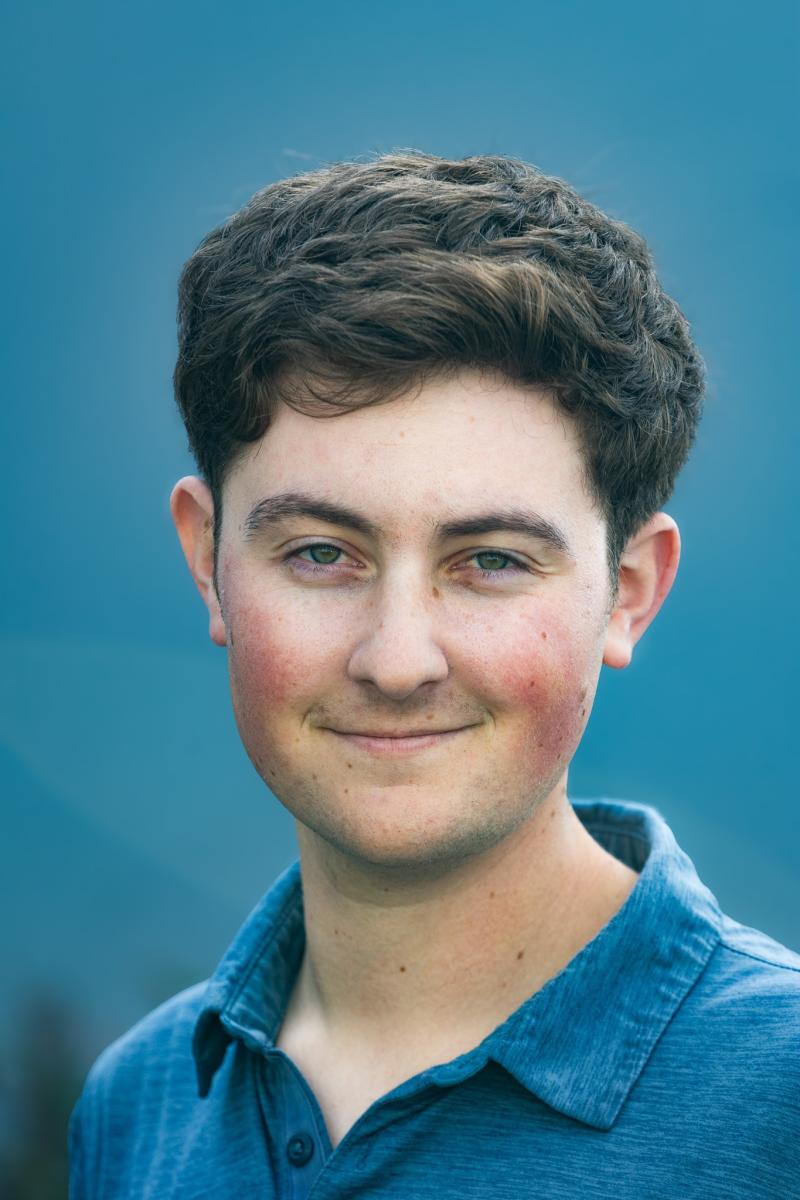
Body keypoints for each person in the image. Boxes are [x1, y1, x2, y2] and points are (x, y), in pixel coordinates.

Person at [68, 151, 800, 1198]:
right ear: (206, 560)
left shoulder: (777, 1103)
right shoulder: (137, 1109)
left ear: (628, 591)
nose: (398, 659)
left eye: (490, 561)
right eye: (321, 553)